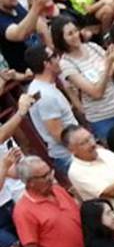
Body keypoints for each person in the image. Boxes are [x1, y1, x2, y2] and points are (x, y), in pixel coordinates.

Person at [24, 46, 80, 176]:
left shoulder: (42, 88)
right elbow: (58, 134)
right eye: (54, 56)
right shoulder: (45, 95)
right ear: (46, 64)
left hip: (73, 151)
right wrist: (82, 147)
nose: (59, 58)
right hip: (70, 155)